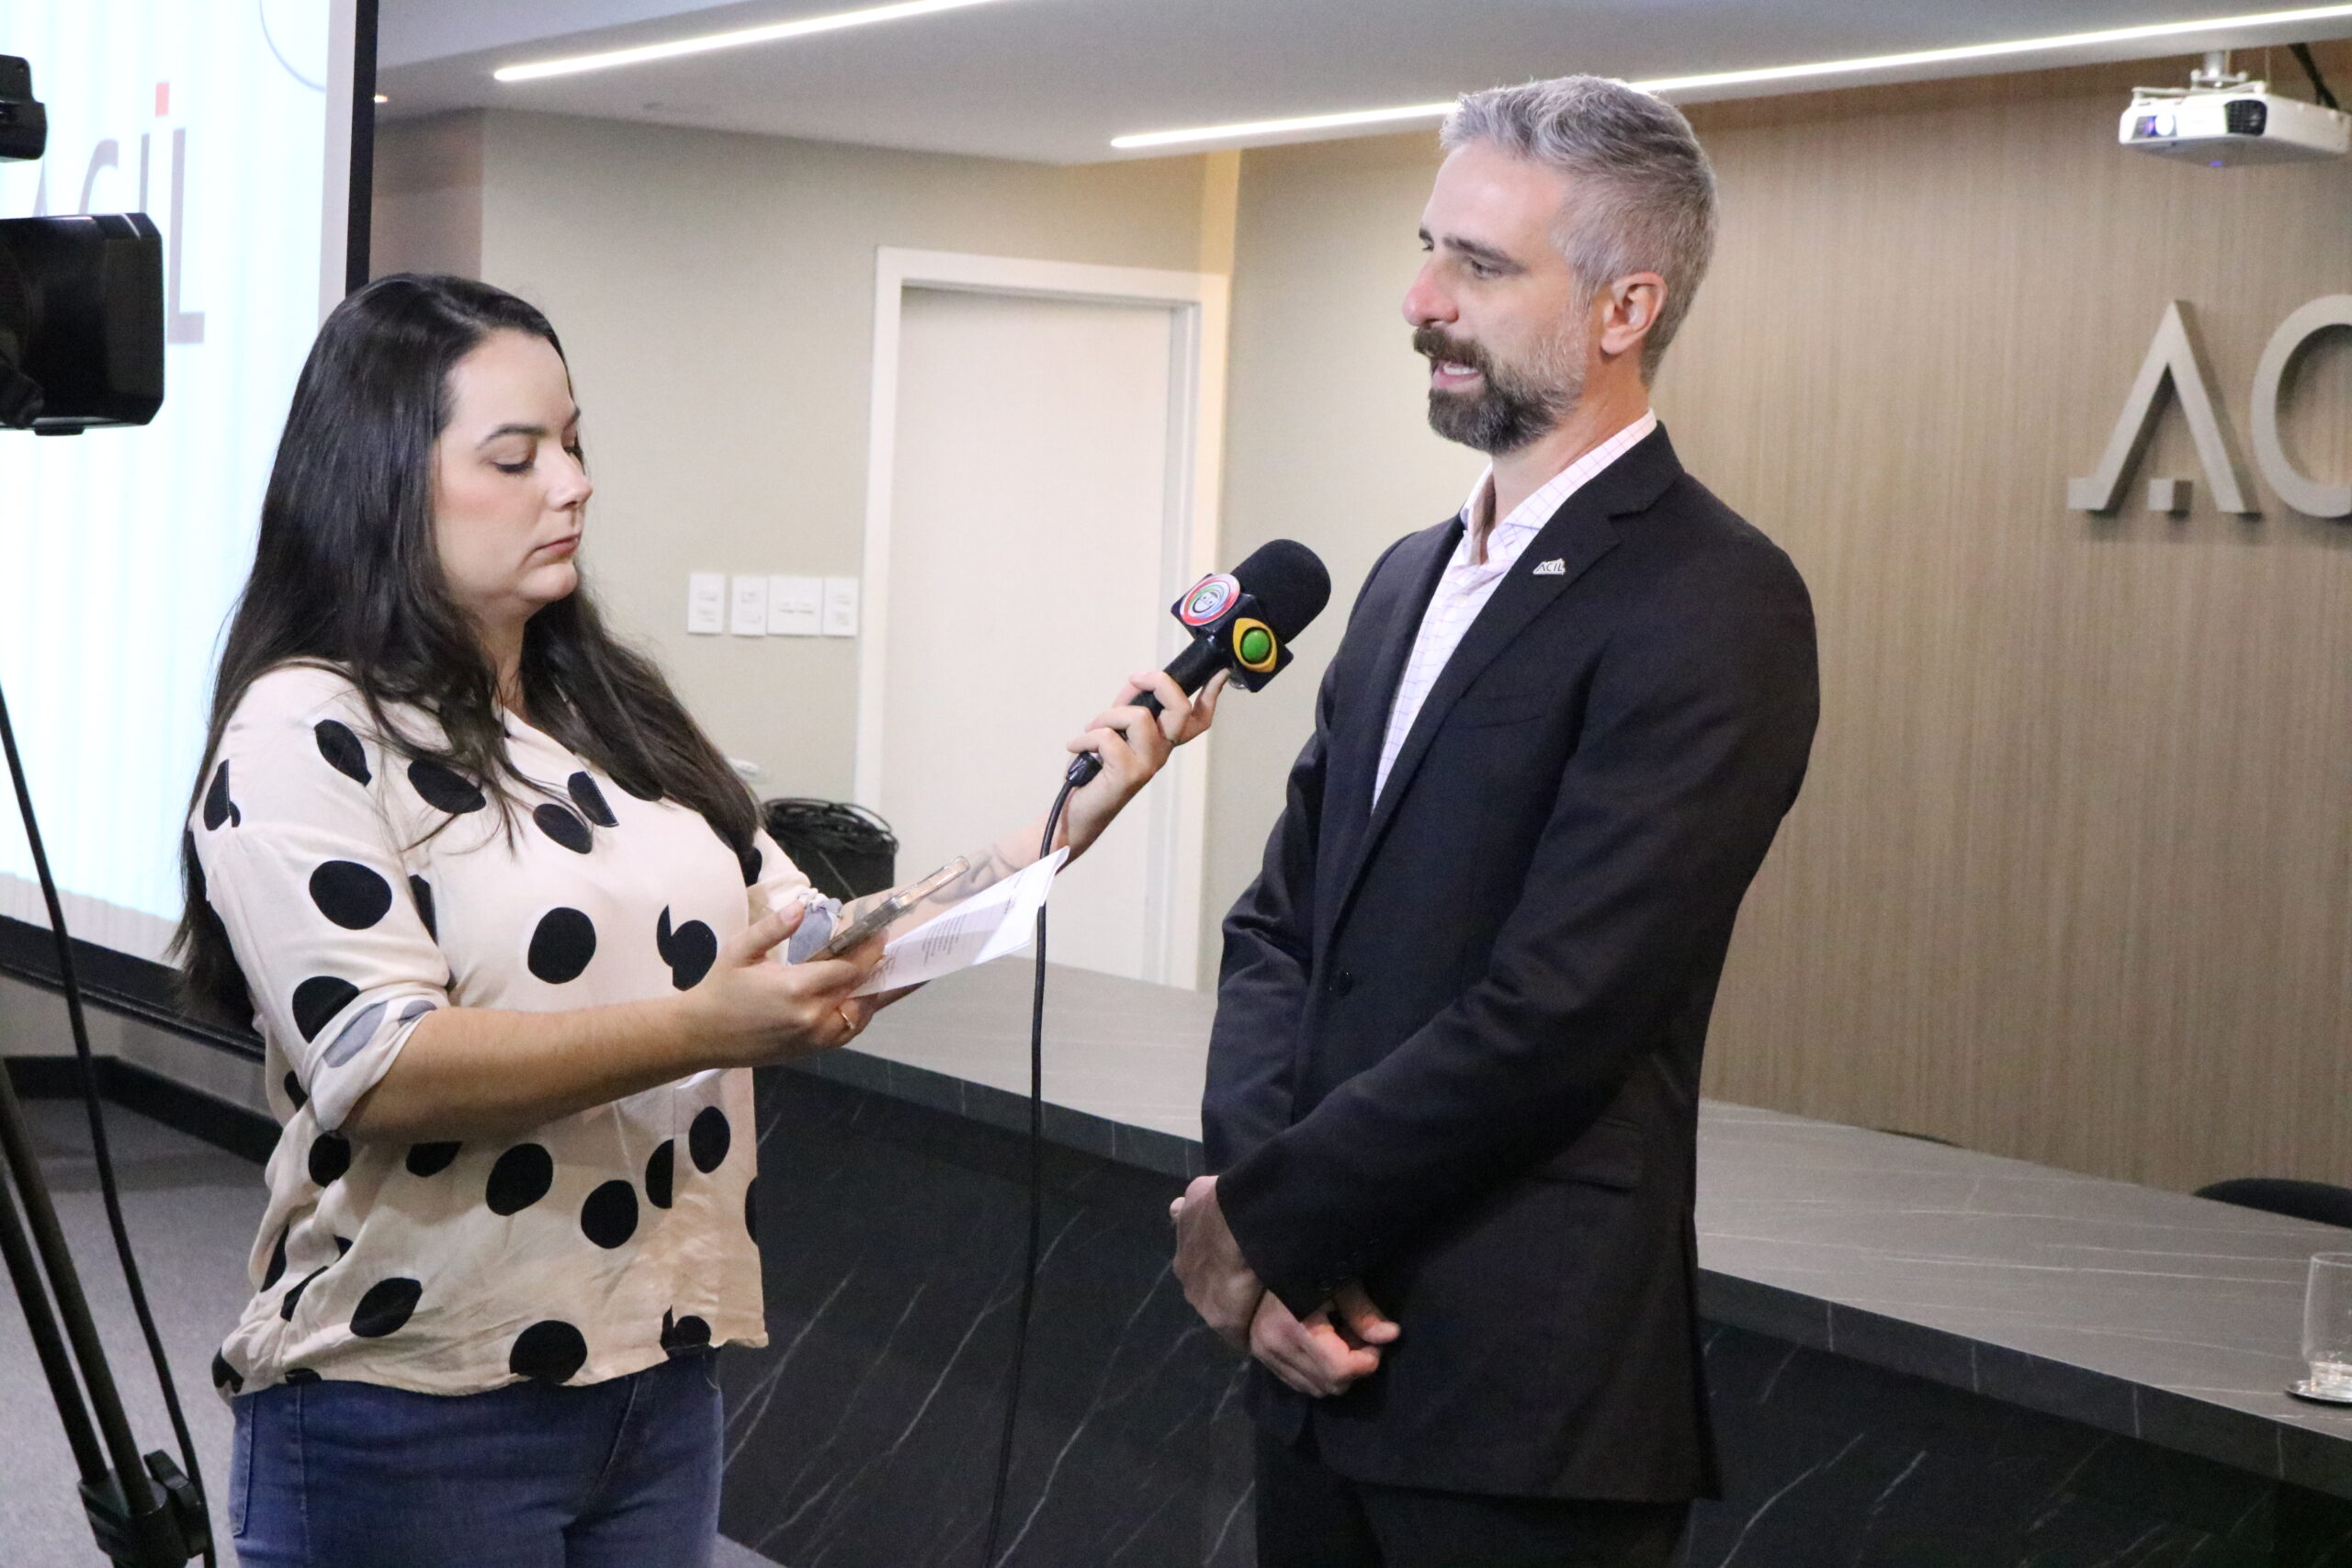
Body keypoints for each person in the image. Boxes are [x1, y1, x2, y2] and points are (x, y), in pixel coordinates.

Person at [176, 273, 1216, 1567]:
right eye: (517, 456)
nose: (571, 484)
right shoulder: (307, 725)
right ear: (384, 481)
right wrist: (694, 1026)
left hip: (656, 1381)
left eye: (574, 443)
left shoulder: (610, 711)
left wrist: (1059, 830)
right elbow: (381, 1067)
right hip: (416, 1399)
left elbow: (814, 943)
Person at [1171, 76, 1819, 1567]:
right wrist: (1258, 1221)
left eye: (1479, 266)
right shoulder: (1404, 579)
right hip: (1309, 1360)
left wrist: (1267, 1223)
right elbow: (1284, 928)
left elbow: (1561, 1009)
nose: (1421, 298)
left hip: (1521, 1397)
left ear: (1622, 308)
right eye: (1427, 250)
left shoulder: (1716, 600)